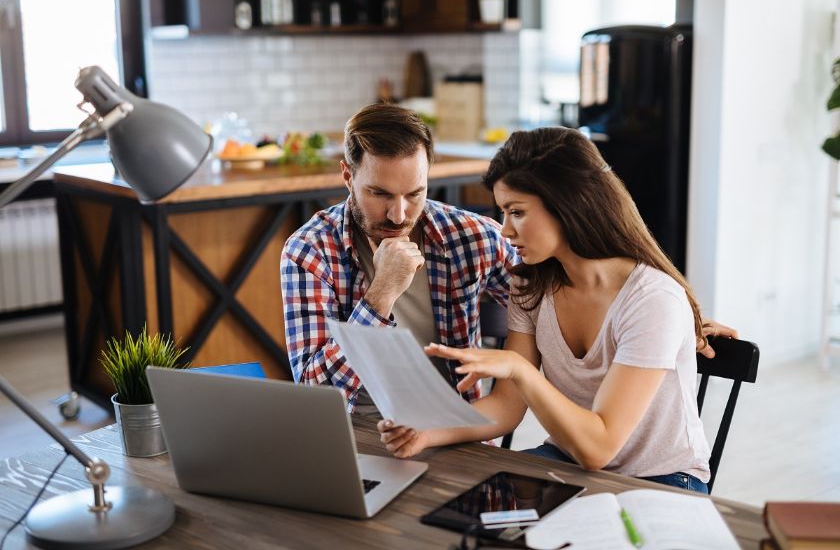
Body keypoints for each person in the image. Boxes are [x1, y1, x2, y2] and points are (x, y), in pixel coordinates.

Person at [377, 127, 738, 494]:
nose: (504, 231)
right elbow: (506, 408)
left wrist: (520, 370)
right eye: (503, 213)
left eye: (516, 212)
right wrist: (426, 431)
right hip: (566, 462)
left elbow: (598, 448)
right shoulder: (531, 285)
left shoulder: (653, 300)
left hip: (661, 481)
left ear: (568, 204)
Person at [281, 103, 518, 414]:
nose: (399, 215)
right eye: (380, 194)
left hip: (456, 431)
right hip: (356, 433)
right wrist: (381, 295)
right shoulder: (310, 251)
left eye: (414, 194)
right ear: (348, 176)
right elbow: (317, 396)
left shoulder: (472, 236)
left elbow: (548, 311)